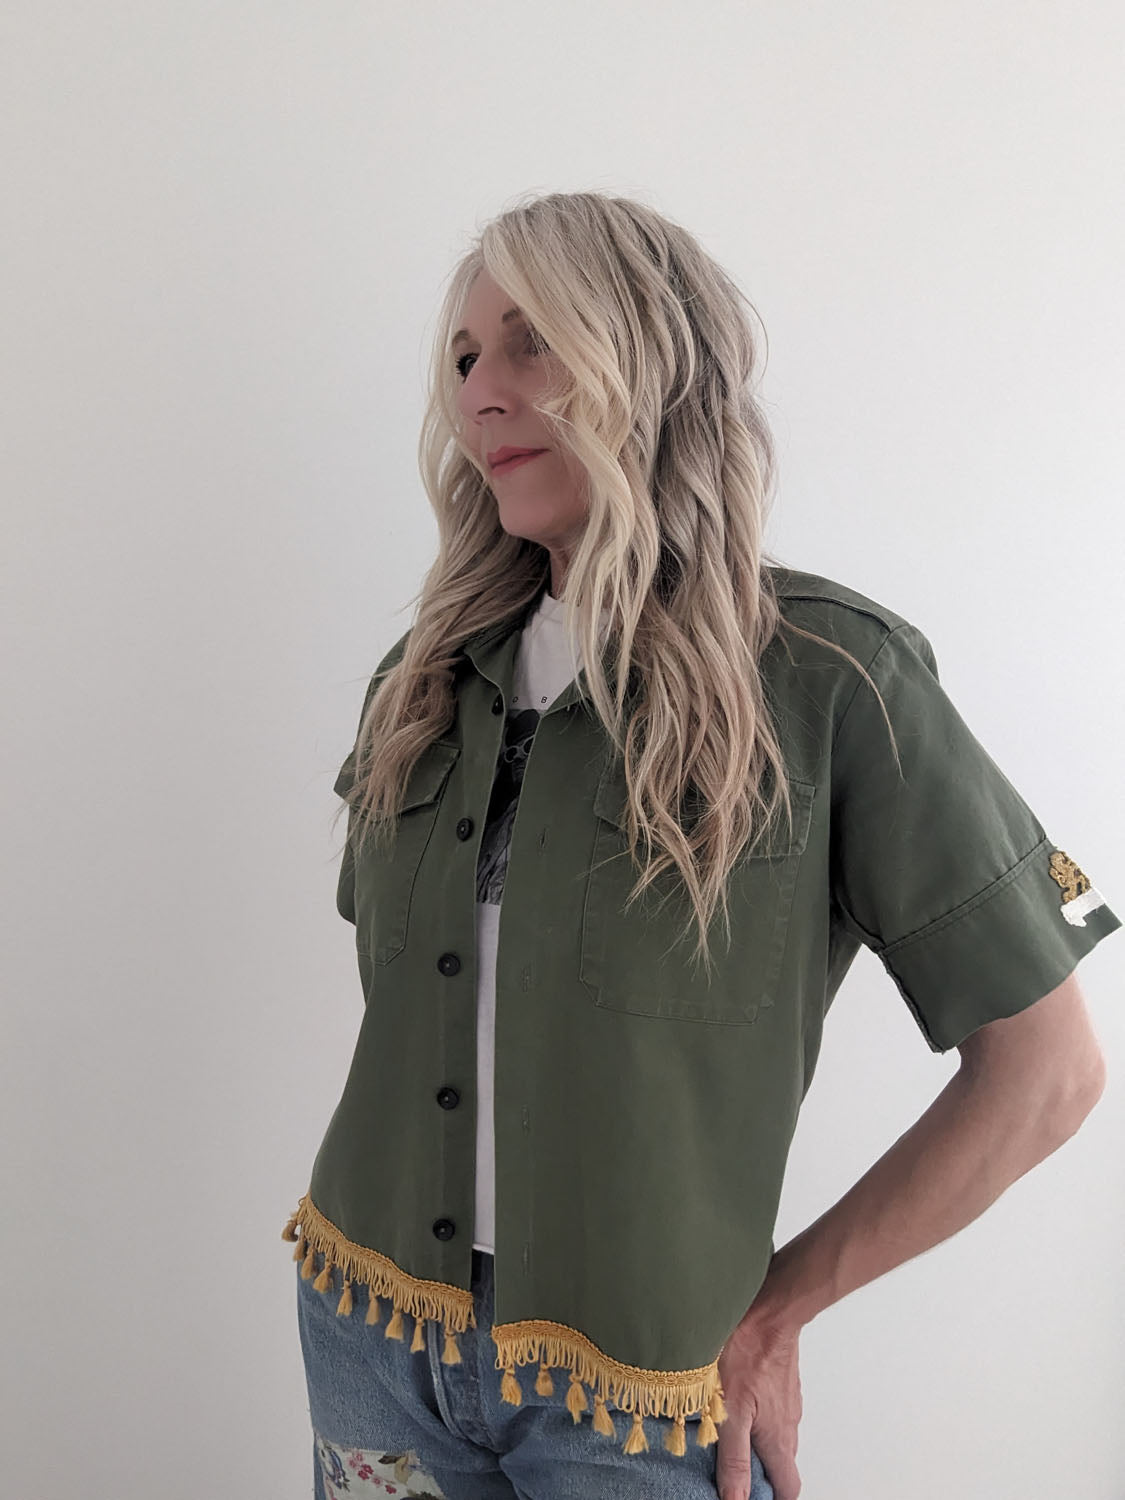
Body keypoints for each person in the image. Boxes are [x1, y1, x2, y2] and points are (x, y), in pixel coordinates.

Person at [282, 191, 1119, 1500]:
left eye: (527, 343)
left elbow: (1045, 1075)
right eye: (459, 359)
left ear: (647, 360)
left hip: (641, 1396)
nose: (480, 395)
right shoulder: (426, 675)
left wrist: (780, 1312)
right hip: (370, 1334)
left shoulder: (831, 682)